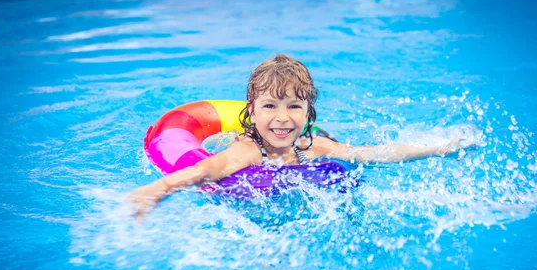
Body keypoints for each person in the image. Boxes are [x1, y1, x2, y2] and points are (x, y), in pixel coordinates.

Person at [129, 54, 476, 217]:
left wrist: (438, 149)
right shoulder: (247, 152)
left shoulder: (314, 145)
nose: (282, 119)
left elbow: (372, 153)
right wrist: (157, 189)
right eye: (270, 107)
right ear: (250, 113)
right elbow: (203, 171)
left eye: (294, 107)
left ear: (308, 114)